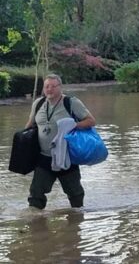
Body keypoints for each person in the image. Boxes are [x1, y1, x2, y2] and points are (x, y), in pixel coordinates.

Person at [24, 74, 96, 210]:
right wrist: (21, 141)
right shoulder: (38, 104)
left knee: (76, 196)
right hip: (44, 157)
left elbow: (91, 121)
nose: (49, 89)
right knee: (35, 194)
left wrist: (73, 125)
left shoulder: (71, 102)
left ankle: (76, 224)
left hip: (67, 157)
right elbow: (29, 125)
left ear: (60, 87)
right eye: (46, 86)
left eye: (52, 86)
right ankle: (36, 224)